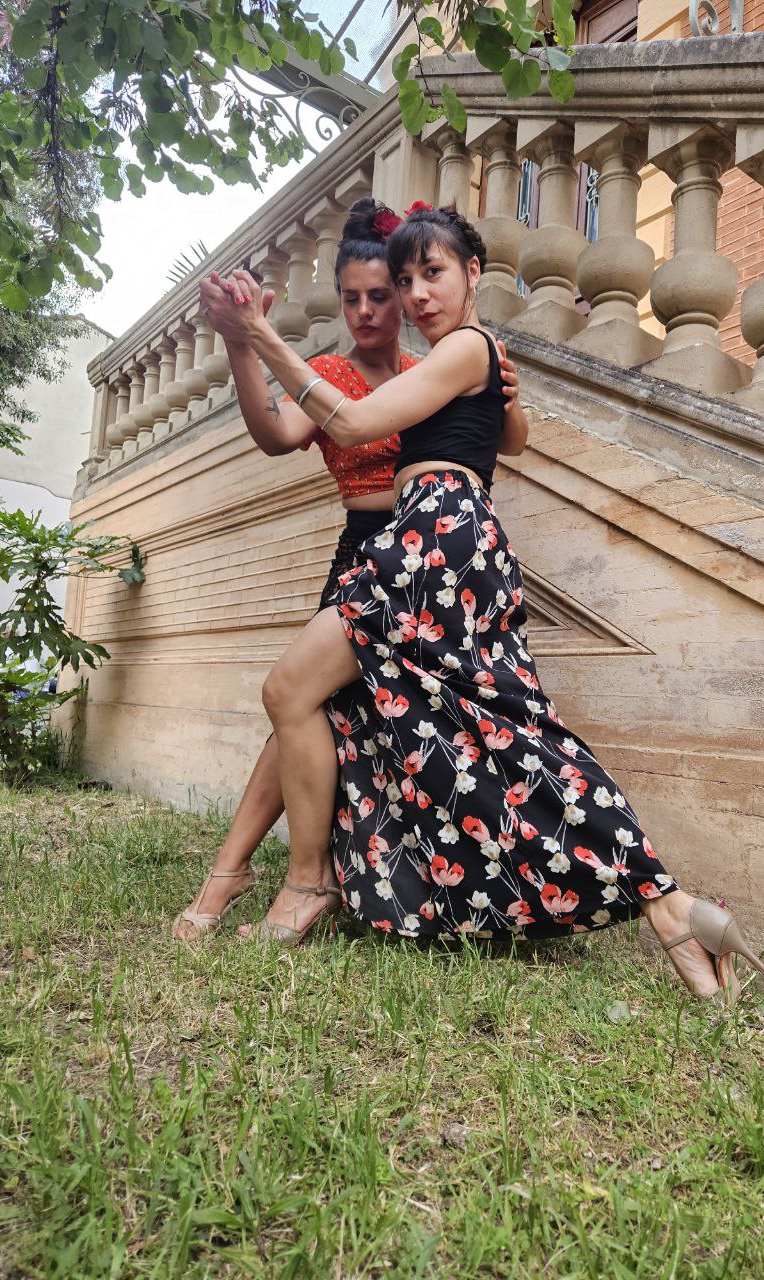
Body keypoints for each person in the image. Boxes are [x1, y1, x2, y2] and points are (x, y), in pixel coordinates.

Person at [222, 202, 764, 1001]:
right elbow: (512, 440)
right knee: (500, 733)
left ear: (474, 271)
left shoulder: (465, 347)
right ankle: (674, 910)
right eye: (405, 280)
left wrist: (261, 335)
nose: (415, 294)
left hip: (433, 537)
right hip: (441, 536)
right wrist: (504, 399)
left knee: (294, 690)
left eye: (432, 273)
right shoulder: (472, 354)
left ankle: (308, 885)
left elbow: (355, 420)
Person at [172, 198, 528, 942]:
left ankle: (313, 879)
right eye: (351, 298)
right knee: (299, 702)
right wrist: (243, 344)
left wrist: (510, 398)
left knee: (324, 703)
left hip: (421, 547)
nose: (367, 311)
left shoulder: (432, 368)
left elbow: (502, 437)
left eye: (382, 294)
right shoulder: (329, 372)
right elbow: (277, 435)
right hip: (367, 548)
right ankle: (237, 869)